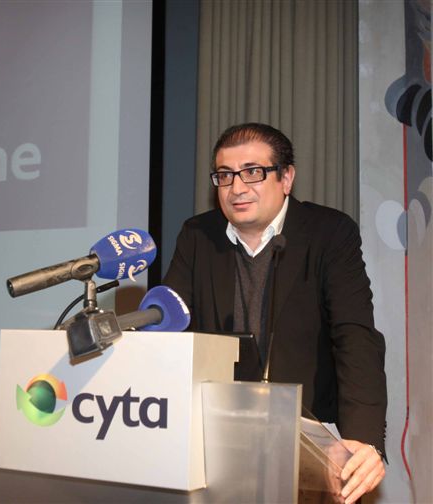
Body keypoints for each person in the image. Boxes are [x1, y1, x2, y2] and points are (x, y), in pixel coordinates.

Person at [163, 123, 387, 503]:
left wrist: (363, 440)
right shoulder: (197, 235)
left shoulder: (329, 232)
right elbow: (173, 328)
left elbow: (355, 335)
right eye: (225, 175)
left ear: (286, 178)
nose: (237, 188)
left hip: (310, 445)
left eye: (252, 172)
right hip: (218, 445)